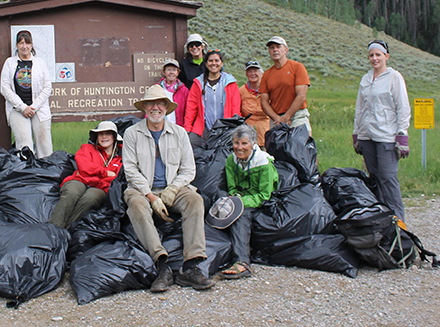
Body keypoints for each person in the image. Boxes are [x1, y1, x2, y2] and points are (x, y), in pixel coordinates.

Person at [123, 85, 214, 292]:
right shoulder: (132, 134)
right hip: (143, 189)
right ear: (144, 107)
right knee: (136, 205)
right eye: (150, 103)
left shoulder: (179, 133)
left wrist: (172, 190)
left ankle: (191, 266)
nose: (155, 107)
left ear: (166, 107)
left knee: (194, 200)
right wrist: (151, 197)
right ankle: (161, 265)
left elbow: (189, 169)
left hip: (173, 187)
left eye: (160, 103)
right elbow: (130, 170)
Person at [352, 40, 411, 222]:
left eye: (378, 54)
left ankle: (398, 220)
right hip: (367, 135)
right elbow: (360, 108)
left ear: (386, 56)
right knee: (375, 178)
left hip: (386, 136)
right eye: (371, 55)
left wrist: (402, 134)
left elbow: (403, 107)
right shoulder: (366, 79)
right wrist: (357, 134)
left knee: (388, 178)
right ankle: (381, 217)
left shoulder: (394, 77)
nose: (374, 58)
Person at [219, 125, 279, 279]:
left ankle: (242, 262)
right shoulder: (231, 161)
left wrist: (241, 202)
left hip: (258, 201)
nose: (239, 148)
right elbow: (231, 186)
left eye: (244, 144)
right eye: (236, 143)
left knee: (241, 216)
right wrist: (234, 198)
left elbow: (265, 195)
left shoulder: (264, 164)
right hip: (240, 198)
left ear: (253, 144)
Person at [49, 121, 123, 229]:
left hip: (100, 187)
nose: (104, 137)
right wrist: (105, 173)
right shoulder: (87, 149)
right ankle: (53, 229)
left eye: (108, 134)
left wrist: (93, 176)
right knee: (72, 193)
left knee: (90, 198)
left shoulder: (119, 159)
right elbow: (84, 167)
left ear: (114, 137)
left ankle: (66, 229)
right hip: (79, 180)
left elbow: (114, 180)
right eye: (101, 134)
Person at [0, 30, 53, 158]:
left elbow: (47, 87)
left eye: (27, 43)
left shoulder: (40, 63)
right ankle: (27, 174)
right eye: (21, 43)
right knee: (24, 143)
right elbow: (5, 88)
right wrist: (23, 107)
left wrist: (33, 107)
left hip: (38, 109)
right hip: (18, 109)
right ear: (17, 45)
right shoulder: (10, 63)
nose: (24, 46)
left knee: (44, 144)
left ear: (32, 45)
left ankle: (47, 172)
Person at [183, 49, 242, 146]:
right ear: (206, 64)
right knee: (192, 148)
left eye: (217, 60)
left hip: (225, 129)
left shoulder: (229, 83)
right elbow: (191, 108)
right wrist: (187, 128)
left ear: (222, 63)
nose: (213, 63)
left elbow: (235, 108)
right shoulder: (198, 83)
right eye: (210, 61)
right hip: (202, 129)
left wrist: (235, 127)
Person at [259, 36, 311, 134]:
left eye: (278, 47)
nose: (275, 50)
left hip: (297, 115)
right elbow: (264, 102)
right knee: (277, 148)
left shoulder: (297, 68)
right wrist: (277, 118)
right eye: (272, 48)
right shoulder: (267, 74)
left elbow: (301, 96)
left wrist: (286, 117)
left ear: (285, 50)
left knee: (300, 146)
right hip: (276, 119)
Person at [239, 61, 270, 148]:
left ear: (261, 73)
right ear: (246, 74)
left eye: (255, 71)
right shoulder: (241, 91)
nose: (253, 74)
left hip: (267, 135)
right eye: (250, 71)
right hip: (247, 137)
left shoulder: (269, 90)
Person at [157, 58, 189, 127]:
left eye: (174, 70)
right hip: (160, 126)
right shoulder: (157, 88)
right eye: (169, 69)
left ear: (178, 73)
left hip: (178, 127)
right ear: (164, 72)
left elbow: (188, 111)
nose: (171, 72)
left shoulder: (184, 90)